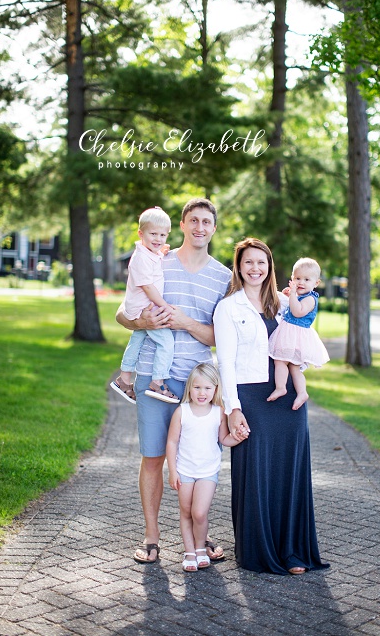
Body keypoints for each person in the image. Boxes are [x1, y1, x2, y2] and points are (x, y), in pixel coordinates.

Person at [116, 198, 232, 564]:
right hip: (154, 375)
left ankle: (201, 534)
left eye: (206, 222)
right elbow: (123, 312)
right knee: (153, 457)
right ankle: (152, 537)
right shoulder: (156, 259)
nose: (200, 227)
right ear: (182, 224)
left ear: (214, 228)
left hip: (198, 383)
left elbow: (220, 336)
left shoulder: (223, 277)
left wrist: (185, 322)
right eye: (193, 220)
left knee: (198, 460)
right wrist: (142, 323)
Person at [214, 238, 329, 575]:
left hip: (288, 398)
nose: (255, 268)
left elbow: (300, 338)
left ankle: (293, 551)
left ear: (270, 267)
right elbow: (226, 363)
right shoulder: (228, 308)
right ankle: (260, 550)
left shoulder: (284, 301)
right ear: (239, 266)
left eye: (261, 262)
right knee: (257, 472)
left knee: (289, 471)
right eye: (248, 262)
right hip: (252, 397)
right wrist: (232, 409)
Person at [165, 363, 242, 572]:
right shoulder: (182, 411)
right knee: (186, 511)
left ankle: (200, 548)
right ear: (189, 388)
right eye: (197, 387)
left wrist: (238, 437)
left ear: (216, 389)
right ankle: (189, 552)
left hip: (208, 471)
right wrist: (172, 471)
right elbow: (172, 442)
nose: (202, 393)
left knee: (199, 513)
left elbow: (223, 439)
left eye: (207, 388)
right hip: (184, 470)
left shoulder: (219, 412)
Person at [110, 206, 179, 404]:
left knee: (137, 340)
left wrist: (160, 252)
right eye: (153, 234)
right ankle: (158, 382)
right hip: (145, 308)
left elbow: (154, 259)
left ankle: (124, 379)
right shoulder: (140, 258)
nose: (158, 239)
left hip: (139, 307)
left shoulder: (149, 253)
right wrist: (164, 305)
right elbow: (148, 287)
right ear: (141, 233)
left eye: (163, 235)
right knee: (166, 342)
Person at [266, 257, 330, 408]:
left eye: (307, 279)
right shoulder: (301, 296)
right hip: (291, 335)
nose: (301, 282)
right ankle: (302, 392)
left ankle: (281, 388)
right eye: (297, 278)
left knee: (281, 361)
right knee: (293, 366)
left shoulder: (311, 299)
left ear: (316, 283)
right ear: (292, 278)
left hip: (295, 337)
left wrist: (293, 296)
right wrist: (290, 296)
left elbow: (297, 311)